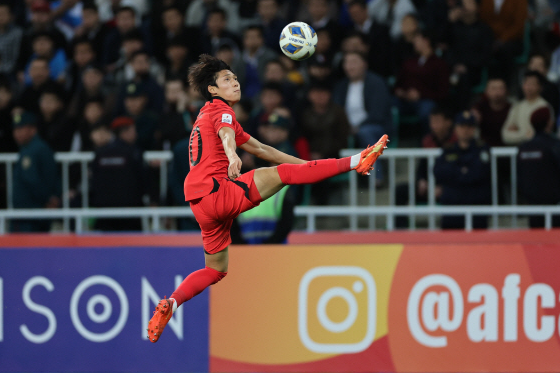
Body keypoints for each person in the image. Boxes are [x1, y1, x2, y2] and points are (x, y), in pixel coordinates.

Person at [147, 54, 388, 342]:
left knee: (215, 270)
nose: (234, 82)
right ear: (212, 89)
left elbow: (264, 149)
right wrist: (233, 155)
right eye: (226, 79)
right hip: (219, 191)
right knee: (281, 175)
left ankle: (170, 303)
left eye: (235, 78)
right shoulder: (220, 110)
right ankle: (357, 161)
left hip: (200, 206)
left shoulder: (204, 115)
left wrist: (306, 167)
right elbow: (225, 135)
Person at [517, 107, 560, 228]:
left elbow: (520, 179)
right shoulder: (555, 145)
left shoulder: (524, 148)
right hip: (557, 208)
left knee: (537, 245)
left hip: (534, 209)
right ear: (549, 122)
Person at [433, 110, 491, 229]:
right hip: (451, 206)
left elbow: (479, 173)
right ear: (456, 128)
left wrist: (455, 172)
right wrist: (463, 171)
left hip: (476, 206)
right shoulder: (448, 149)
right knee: (450, 245)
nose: (465, 130)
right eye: (462, 126)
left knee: (479, 246)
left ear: (474, 129)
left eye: (469, 126)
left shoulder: (482, 149)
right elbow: (438, 171)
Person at [89, 116, 147, 231]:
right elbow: (144, 179)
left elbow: (93, 180)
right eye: (133, 130)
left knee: (106, 246)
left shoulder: (100, 153)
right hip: (130, 212)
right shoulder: (134, 152)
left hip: (104, 211)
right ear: (125, 132)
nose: (135, 134)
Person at [10, 111, 60, 232]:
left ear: (33, 129)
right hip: (31, 213)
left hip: (31, 215)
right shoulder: (32, 148)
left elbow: (32, 180)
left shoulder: (33, 150)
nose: (17, 133)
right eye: (15, 129)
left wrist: (46, 200)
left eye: (21, 129)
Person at [502, 71, 550, 145]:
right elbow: (505, 135)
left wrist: (518, 132)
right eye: (526, 84)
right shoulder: (517, 107)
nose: (529, 88)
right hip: (520, 150)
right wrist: (525, 135)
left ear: (540, 87)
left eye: (532, 84)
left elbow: (545, 133)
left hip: (539, 148)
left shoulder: (544, 107)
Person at [473, 77, 511, 146]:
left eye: (500, 88)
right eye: (493, 88)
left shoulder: (512, 109)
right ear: (486, 91)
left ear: (506, 90)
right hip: (484, 147)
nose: (497, 92)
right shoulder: (479, 108)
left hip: (507, 147)